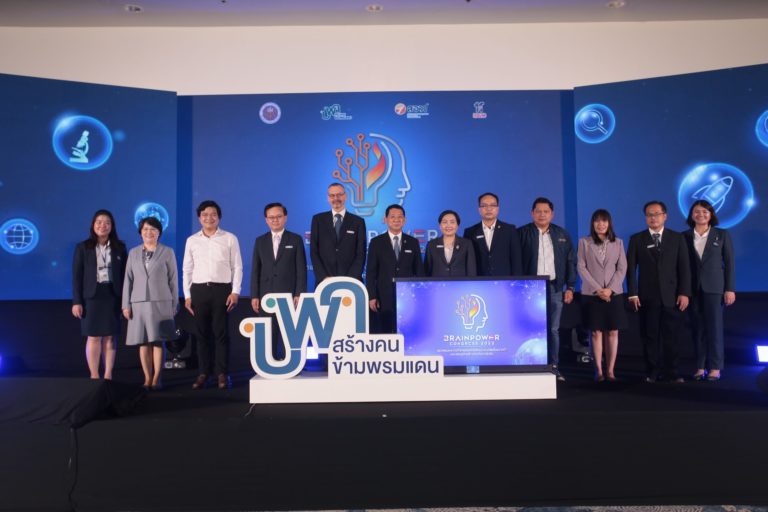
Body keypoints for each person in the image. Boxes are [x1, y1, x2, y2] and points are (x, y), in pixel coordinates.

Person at [627, 200, 691, 383]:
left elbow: (684, 268)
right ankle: (652, 371)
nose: (653, 218)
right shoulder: (637, 239)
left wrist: (684, 292)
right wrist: (632, 293)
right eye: (649, 214)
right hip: (647, 296)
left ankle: (672, 372)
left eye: (656, 214)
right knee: (650, 336)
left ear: (665, 216)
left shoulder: (677, 238)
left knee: (672, 336)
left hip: (672, 296)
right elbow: (631, 269)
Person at [182, 200, 243, 390]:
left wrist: (235, 291)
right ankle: (204, 373)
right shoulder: (192, 240)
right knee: (201, 335)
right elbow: (187, 269)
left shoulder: (230, 238)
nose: (209, 218)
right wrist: (187, 295)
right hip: (199, 291)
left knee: (221, 334)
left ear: (219, 217)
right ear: (199, 218)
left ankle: (222, 374)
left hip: (222, 290)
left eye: (213, 214)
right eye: (205, 214)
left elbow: (237, 267)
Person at [518, 197, 577, 381]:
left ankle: (553, 366)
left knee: (553, 330)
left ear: (552, 214)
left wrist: (570, 286)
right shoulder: (522, 233)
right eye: (538, 211)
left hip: (554, 287)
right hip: (529, 288)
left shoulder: (562, 234)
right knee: (529, 329)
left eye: (546, 211)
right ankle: (529, 367)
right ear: (532, 213)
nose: (542, 214)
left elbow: (570, 261)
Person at [122, 217, 178, 390]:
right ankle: (147, 378)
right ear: (140, 232)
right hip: (138, 302)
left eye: (153, 229)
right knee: (143, 341)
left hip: (161, 302)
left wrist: (174, 304)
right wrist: (125, 305)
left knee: (158, 341)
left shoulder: (167, 251)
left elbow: (173, 280)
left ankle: (157, 379)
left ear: (159, 232)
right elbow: (128, 280)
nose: (149, 232)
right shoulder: (133, 253)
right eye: (145, 229)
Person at [683, 200, 736, 382]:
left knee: (714, 328)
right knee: (698, 328)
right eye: (697, 211)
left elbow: (729, 264)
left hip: (715, 288)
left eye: (705, 211)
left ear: (711, 214)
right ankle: (700, 367)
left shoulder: (721, 234)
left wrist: (729, 289)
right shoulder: (684, 236)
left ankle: (715, 367)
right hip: (692, 289)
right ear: (692, 215)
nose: (701, 215)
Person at [72, 209, 127, 380]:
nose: (103, 225)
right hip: (91, 297)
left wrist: (126, 301)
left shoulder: (119, 247)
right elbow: (77, 276)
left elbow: (125, 276)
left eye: (107, 222)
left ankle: (108, 374)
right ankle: (94, 375)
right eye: (99, 222)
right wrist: (77, 301)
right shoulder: (83, 247)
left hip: (112, 295)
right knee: (94, 336)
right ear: (93, 225)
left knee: (110, 336)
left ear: (112, 226)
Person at [250, 202, 307, 360]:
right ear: (266, 220)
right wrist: (254, 295)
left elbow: (301, 269)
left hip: (289, 296)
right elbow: (255, 270)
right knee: (269, 333)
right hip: (266, 296)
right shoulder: (260, 241)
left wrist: (299, 293)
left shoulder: (295, 239)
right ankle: (270, 362)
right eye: (271, 217)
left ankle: (291, 364)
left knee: (289, 333)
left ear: (285, 218)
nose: (275, 220)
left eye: (278, 216)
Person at [577, 209, 627, 382]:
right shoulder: (584, 242)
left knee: (612, 332)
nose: (601, 224)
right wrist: (598, 289)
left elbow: (622, 268)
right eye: (597, 221)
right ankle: (598, 370)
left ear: (609, 223)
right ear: (592, 223)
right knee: (596, 333)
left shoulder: (618, 243)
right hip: (592, 294)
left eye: (604, 221)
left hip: (614, 294)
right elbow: (581, 267)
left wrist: (610, 289)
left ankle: (610, 371)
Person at [366, 205, 424, 333]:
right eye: (392, 217)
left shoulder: (413, 242)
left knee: (407, 331)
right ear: (385, 219)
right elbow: (371, 273)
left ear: (404, 220)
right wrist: (372, 296)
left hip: (408, 296)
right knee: (385, 332)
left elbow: (419, 271)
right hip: (383, 296)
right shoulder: (376, 242)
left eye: (400, 217)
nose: (396, 220)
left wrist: (420, 295)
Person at [309, 182, 366, 287]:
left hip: (352, 283)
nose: (336, 198)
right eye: (332, 195)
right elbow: (314, 251)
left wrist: (350, 279)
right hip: (324, 282)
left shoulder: (358, 222)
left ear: (345, 196)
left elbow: (360, 253)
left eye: (339, 195)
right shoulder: (318, 220)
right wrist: (324, 277)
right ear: (328, 198)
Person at [463, 192, 522, 276]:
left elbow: (516, 260)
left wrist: (516, 280)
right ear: (479, 209)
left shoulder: (509, 230)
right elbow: (467, 261)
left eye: (492, 205)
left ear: (498, 208)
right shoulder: (470, 232)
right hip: (479, 280)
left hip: (504, 280)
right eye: (484, 205)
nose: (488, 209)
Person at [424, 210, 477, 277]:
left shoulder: (466, 244)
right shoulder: (432, 244)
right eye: (444, 222)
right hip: (438, 283)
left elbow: (471, 269)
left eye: (452, 222)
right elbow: (427, 270)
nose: (448, 225)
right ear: (440, 225)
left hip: (460, 283)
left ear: (457, 225)